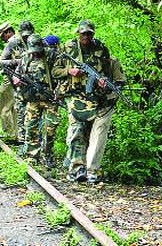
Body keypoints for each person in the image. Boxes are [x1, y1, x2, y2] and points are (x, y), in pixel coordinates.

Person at [52, 19, 126, 183]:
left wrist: (103, 81)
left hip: (96, 98)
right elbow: (55, 71)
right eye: (83, 33)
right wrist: (69, 71)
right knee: (76, 131)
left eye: (89, 33)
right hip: (75, 96)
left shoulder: (101, 49)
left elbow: (108, 72)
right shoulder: (68, 48)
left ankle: (91, 169)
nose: (86, 36)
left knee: (93, 135)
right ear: (78, 33)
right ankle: (77, 168)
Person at [14, 34, 60, 166]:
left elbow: (60, 75)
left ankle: (48, 154)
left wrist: (58, 92)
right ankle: (32, 155)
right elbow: (18, 74)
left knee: (50, 128)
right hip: (32, 98)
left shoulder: (52, 55)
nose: (35, 54)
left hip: (50, 97)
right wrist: (17, 80)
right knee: (30, 127)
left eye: (37, 51)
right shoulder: (25, 57)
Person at [0, 21, 25, 142]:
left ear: (8, 32)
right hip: (20, 77)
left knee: (5, 107)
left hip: (11, 77)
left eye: (2, 36)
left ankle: (10, 133)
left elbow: (1, 62)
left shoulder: (12, 42)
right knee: (14, 106)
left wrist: (16, 62)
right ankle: (17, 133)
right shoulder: (23, 40)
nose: (2, 39)